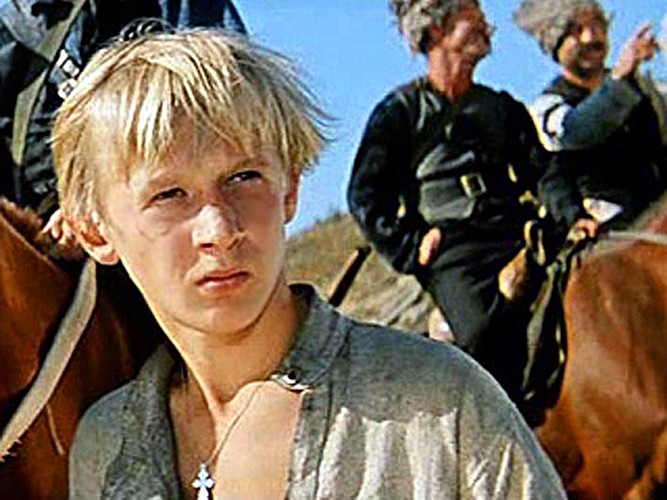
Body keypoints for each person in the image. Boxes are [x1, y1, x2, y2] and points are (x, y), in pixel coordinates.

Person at [55, 28, 566, 498]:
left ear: (290, 188)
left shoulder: (440, 403)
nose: (220, 230)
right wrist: (412, 244)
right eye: (169, 194)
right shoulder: (103, 449)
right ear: (95, 230)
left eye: (244, 177)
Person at [347, 0, 555, 401]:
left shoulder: (499, 107)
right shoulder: (400, 113)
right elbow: (366, 196)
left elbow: (543, 171)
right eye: (470, 14)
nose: (485, 24)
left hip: (514, 231)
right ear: (436, 29)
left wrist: (569, 212)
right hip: (456, 252)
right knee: (481, 334)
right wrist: (411, 247)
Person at [0, 0, 246, 257]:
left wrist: (90, 205)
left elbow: (226, 116)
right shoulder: (10, 28)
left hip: (162, 224)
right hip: (39, 237)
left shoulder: (175, 6)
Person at [514, 0, 667, 231]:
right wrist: (619, 81)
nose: (590, 37)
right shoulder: (547, 108)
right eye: (576, 30)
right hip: (606, 228)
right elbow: (576, 130)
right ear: (556, 43)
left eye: (597, 25)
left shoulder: (644, 90)